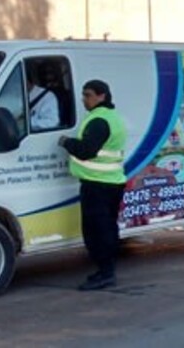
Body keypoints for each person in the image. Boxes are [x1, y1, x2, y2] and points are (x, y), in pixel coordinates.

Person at [58, 80, 127, 290]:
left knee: (97, 231)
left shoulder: (99, 121)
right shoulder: (113, 117)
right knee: (106, 228)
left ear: (102, 96)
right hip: (111, 182)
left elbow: (86, 150)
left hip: (98, 184)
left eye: (88, 95)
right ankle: (106, 270)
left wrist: (66, 142)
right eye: (83, 95)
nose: (84, 99)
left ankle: (105, 273)